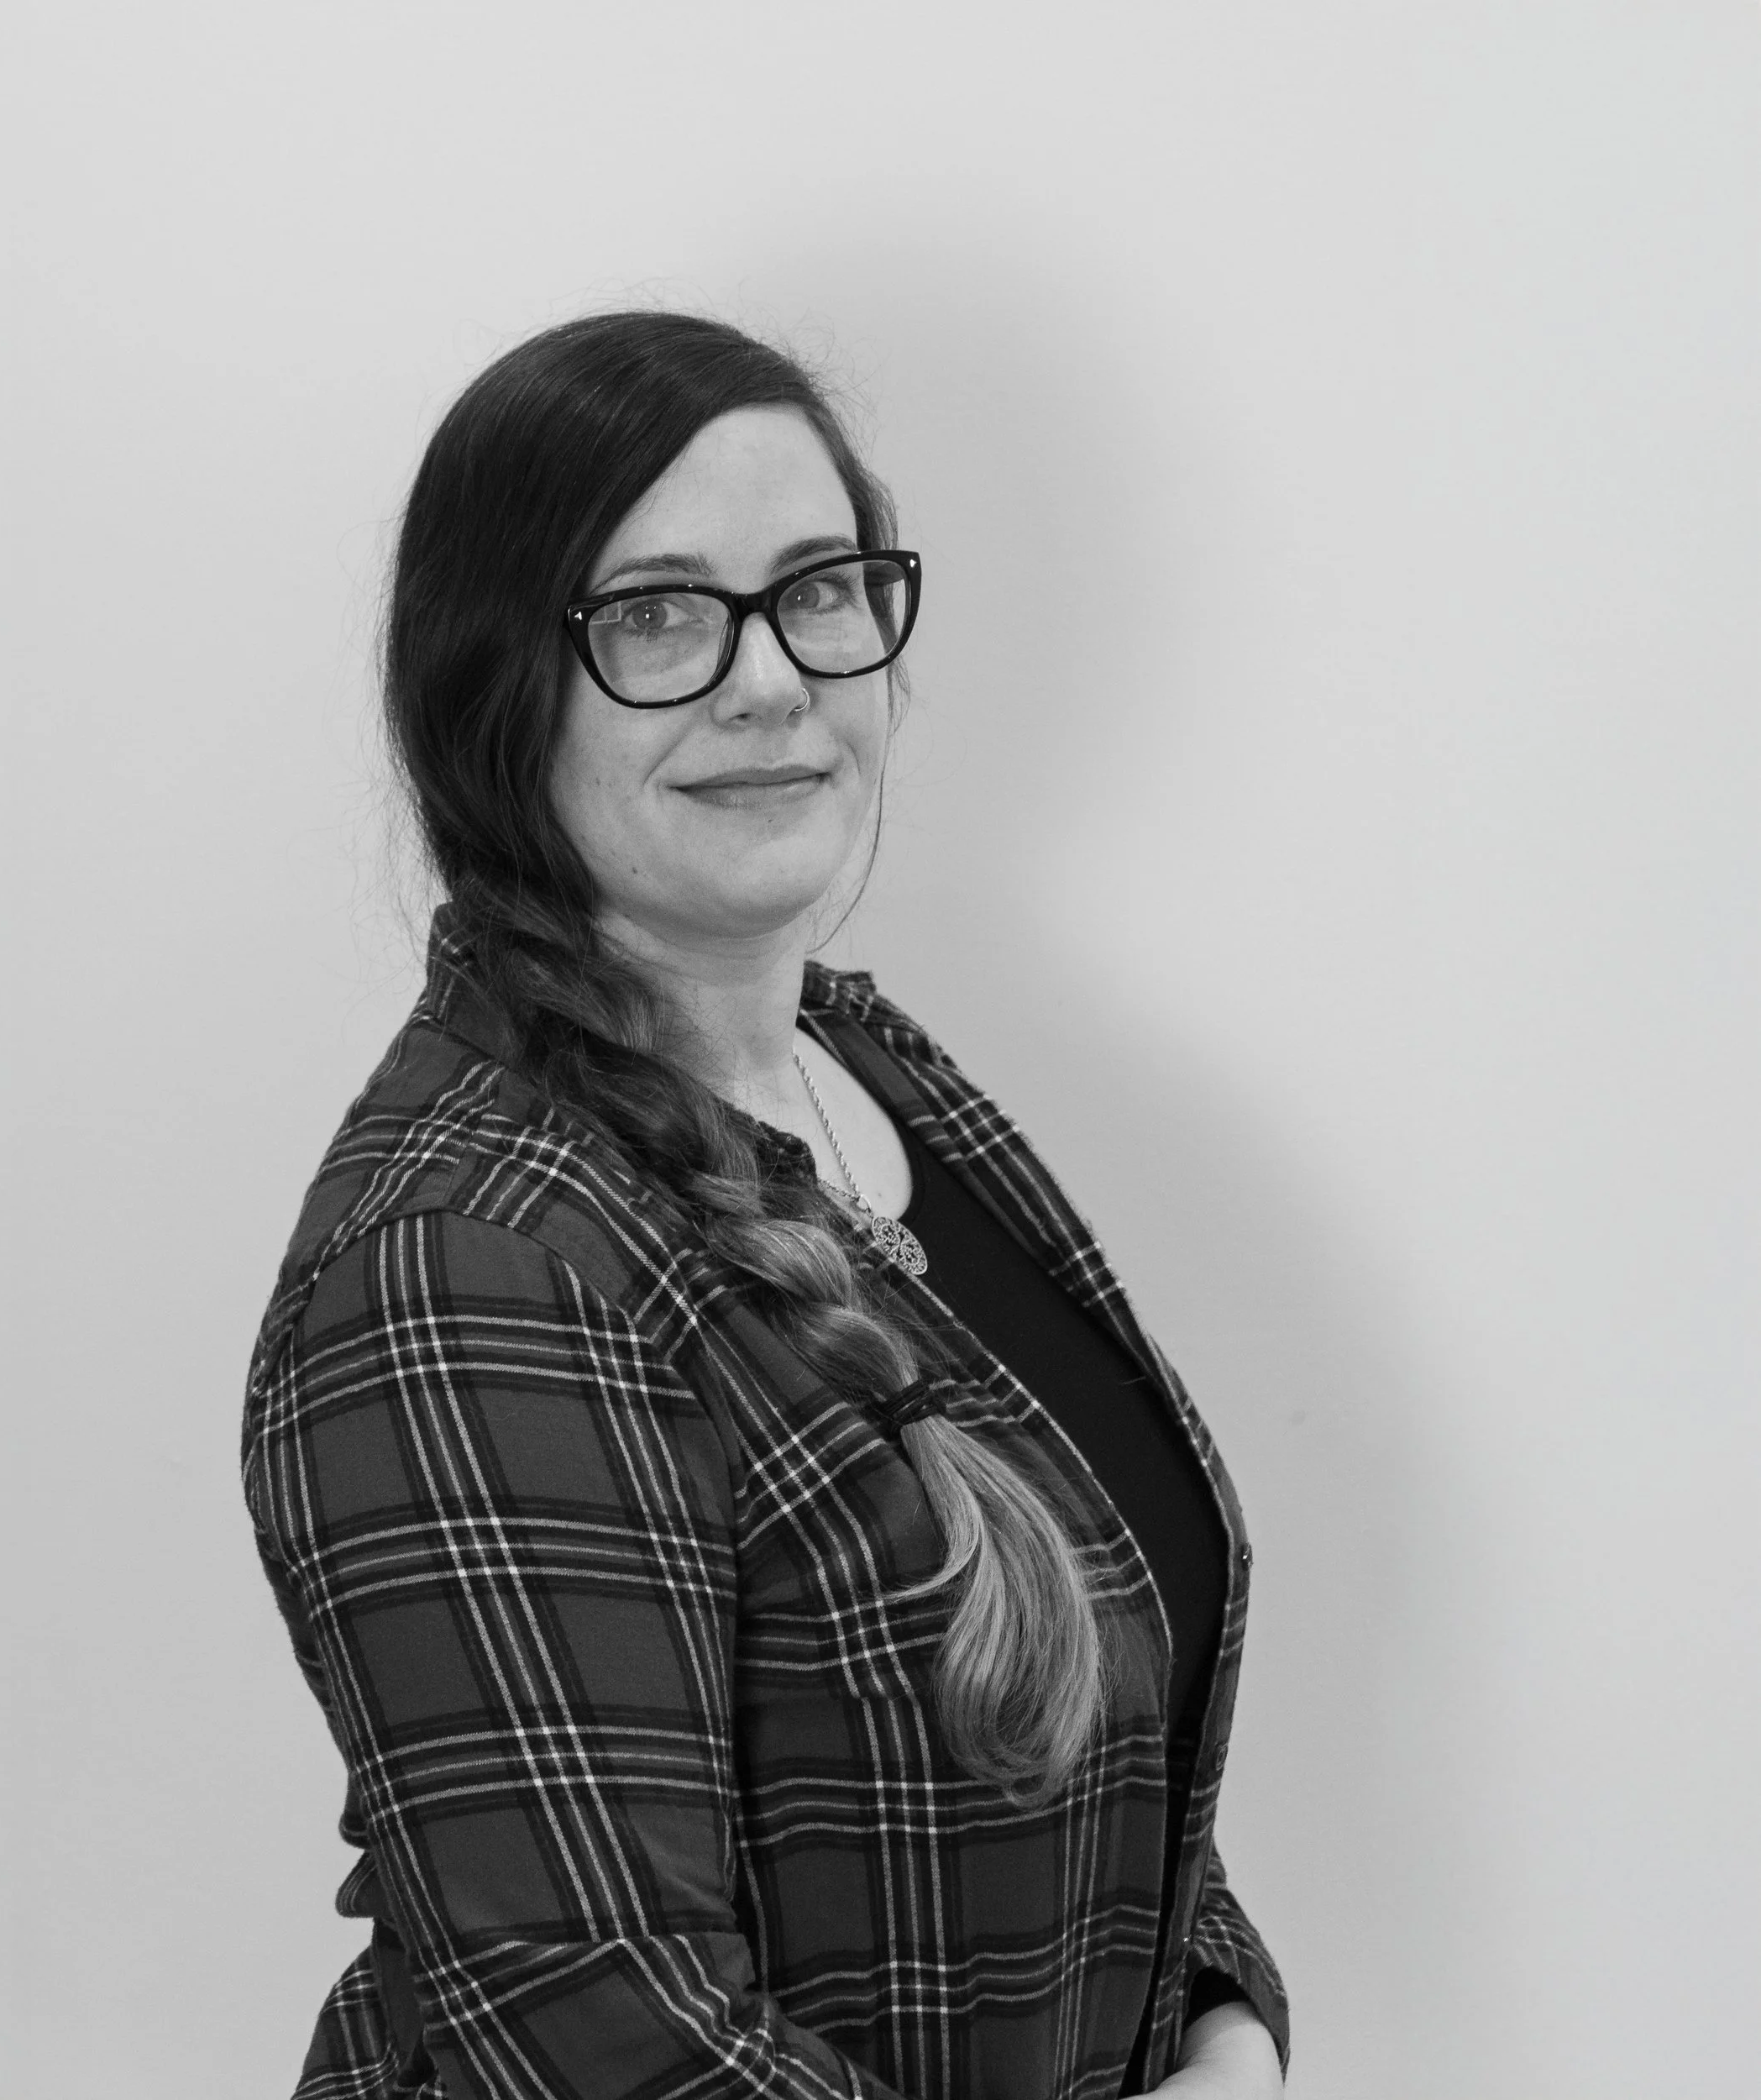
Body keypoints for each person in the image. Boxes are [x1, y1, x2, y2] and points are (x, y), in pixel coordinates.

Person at [241, 310, 1290, 2099]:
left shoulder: (866, 1076)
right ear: (491, 691)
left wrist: (1222, 2024)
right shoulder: (466, 1265)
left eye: (816, 589)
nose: (766, 678)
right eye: (654, 613)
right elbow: (617, 2044)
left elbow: (1106, 1716)